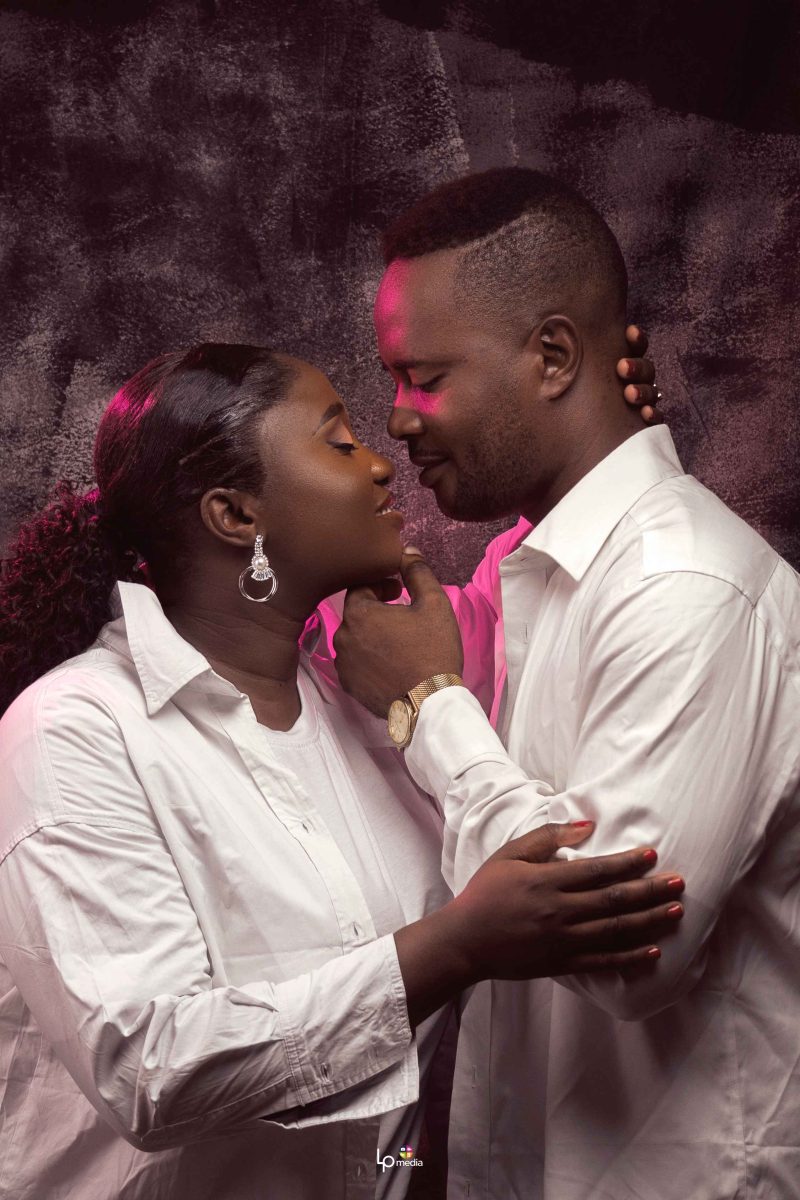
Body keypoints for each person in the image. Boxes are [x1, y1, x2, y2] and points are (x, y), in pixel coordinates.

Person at [0, 343, 683, 1200]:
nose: (380, 465)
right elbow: (147, 1069)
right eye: (338, 442)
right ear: (236, 515)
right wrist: (454, 948)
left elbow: (539, 591)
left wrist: (588, 433)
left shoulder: (373, 706)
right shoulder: (76, 732)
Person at [333, 168, 800, 1200]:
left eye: (425, 379)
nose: (395, 421)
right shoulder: (528, 573)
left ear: (551, 357)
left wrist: (428, 707)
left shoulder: (686, 587)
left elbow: (628, 956)